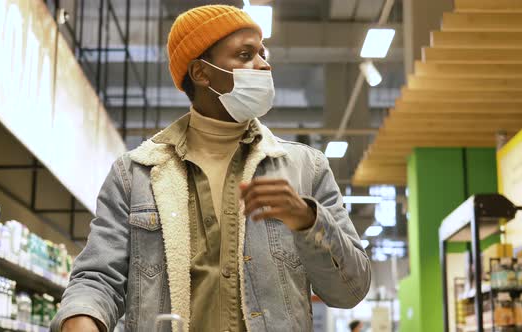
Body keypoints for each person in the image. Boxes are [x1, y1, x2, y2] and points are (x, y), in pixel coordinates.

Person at [52, 4, 371, 332]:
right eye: (245, 55)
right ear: (201, 73)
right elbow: (98, 278)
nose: (264, 64)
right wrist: (81, 319)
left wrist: (308, 221)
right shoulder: (135, 174)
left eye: (262, 53)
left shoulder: (306, 169)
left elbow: (350, 290)